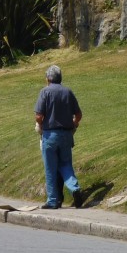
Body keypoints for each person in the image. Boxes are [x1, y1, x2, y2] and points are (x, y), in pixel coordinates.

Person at [34, 65, 86, 210]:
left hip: (50, 135)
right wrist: (73, 124)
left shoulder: (45, 92)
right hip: (66, 135)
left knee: (50, 168)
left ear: (48, 78)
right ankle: (74, 188)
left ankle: (52, 200)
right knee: (65, 164)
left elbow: (38, 116)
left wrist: (41, 124)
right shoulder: (68, 92)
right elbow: (78, 115)